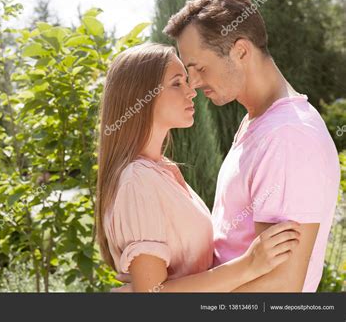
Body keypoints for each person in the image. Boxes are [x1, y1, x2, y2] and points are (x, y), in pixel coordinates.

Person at [96, 42, 301, 292]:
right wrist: (250, 265)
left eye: (186, 80)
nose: (191, 90)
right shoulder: (137, 180)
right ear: (140, 97)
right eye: (177, 83)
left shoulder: (163, 170)